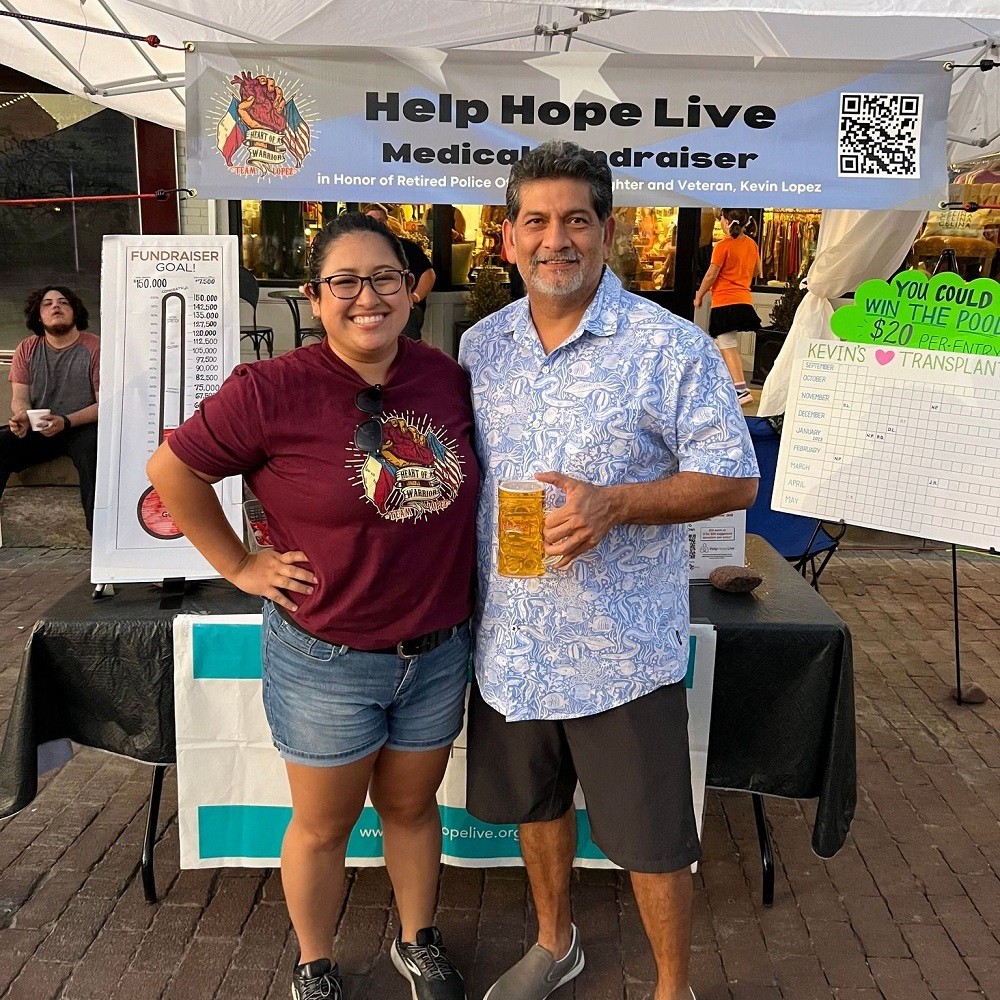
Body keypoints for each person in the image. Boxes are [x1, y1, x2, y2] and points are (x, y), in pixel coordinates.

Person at [147, 212, 479, 1000]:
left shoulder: (446, 378)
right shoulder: (269, 389)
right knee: (325, 826)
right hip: (326, 655)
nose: (368, 297)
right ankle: (315, 964)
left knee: (410, 806)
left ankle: (417, 940)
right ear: (314, 296)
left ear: (413, 287)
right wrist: (238, 563)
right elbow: (172, 472)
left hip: (436, 649)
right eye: (346, 282)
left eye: (386, 278)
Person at [458, 141, 759, 1000]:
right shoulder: (483, 346)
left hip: (620, 649)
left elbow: (735, 476)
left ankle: (673, 988)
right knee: (538, 806)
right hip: (512, 642)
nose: (557, 240)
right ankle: (557, 944)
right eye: (537, 221)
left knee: (652, 835)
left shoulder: (670, 348)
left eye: (576, 221)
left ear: (609, 232)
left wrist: (616, 505)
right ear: (508, 236)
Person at [2, 286, 99, 533]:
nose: (55, 306)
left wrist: (66, 421)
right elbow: (20, 398)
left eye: (63, 302)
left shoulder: (95, 348)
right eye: (47, 304)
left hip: (82, 426)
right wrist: (21, 416)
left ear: (75, 312)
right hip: (41, 426)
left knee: (93, 454)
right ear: (38, 316)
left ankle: (100, 538)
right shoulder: (27, 348)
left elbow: (105, 405)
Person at [693, 207, 763, 406]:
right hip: (743, 301)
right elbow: (757, 270)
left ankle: (741, 390)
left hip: (725, 303)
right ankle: (723, 385)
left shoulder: (722, 246)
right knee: (720, 345)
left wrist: (699, 295)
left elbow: (710, 275)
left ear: (724, 221)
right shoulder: (751, 244)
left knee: (727, 346)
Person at [364, 203, 436, 340]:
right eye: (370, 221)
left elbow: (428, 274)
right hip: (373, 306)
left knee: (407, 338)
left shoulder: (407, 247)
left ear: (387, 222)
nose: (376, 225)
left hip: (405, 307)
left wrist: (415, 297)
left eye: (380, 221)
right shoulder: (357, 251)